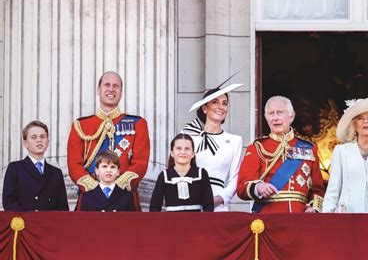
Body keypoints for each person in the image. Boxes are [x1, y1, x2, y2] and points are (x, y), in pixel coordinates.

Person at [67, 71, 150, 211]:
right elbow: (74, 164)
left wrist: (117, 187)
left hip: (125, 199)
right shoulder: (81, 125)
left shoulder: (138, 124)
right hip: (89, 198)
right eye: (107, 85)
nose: (111, 89)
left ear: (121, 92)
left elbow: (140, 162)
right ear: (99, 90)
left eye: (116, 86)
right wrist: (96, 188)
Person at [237, 96, 325, 213]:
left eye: (279, 113)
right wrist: (259, 187)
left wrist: (314, 209)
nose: (275, 118)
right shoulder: (257, 147)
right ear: (266, 118)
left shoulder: (309, 149)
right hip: (267, 218)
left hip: (300, 218)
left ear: (291, 116)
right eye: (271, 114)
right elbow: (242, 186)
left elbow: (318, 190)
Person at [181, 83, 243, 211]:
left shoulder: (234, 140)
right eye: (215, 102)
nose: (221, 107)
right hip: (188, 200)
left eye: (225, 103)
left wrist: (221, 198)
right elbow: (177, 169)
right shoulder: (188, 136)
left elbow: (236, 177)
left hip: (218, 204)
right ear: (204, 108)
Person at [2, 121, 69, 211]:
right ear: (25, 143)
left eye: (42, 136)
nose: (39, 140)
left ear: (47, 142)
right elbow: (9, 202)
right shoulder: (15, 168)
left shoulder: (56, 172)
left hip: (49, 223)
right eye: (34, 137)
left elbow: (62, 208)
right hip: (25, 222)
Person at [150, 133, 214, 212]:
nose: (183, 152)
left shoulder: (201, 173)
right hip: (171, 222)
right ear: (172, 153)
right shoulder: (164, 175)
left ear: (193, 154)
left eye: (187, 149)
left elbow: (209, 205)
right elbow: (154, 207)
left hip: (196, 221)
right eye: (179, 148)